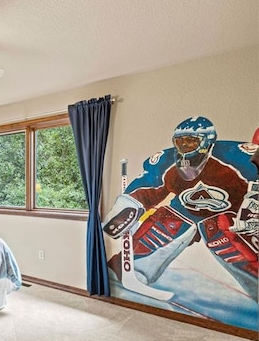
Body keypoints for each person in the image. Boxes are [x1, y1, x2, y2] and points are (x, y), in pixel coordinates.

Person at [103, 117, 258, 300]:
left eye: (191, 141)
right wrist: (126, 208)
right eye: (180, 141)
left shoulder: (236, 156)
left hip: (236, 214)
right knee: (170, 219)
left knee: (222, 228)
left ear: (207, 142)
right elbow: (145, 186)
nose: (184, 147)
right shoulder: (166, 160)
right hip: (188, 211)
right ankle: (131, 267)